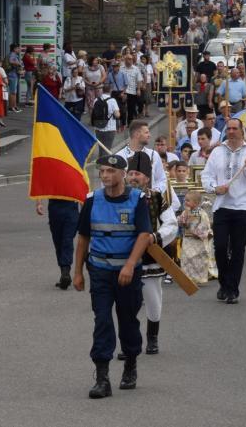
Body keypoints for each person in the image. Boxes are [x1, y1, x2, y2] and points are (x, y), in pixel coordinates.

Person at [73, 154, 153, 398]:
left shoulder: (137, 199)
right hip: (100, 271)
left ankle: (130, 364)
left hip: (128, 272)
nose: (105, 176)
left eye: (110, 171)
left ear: (122, 174)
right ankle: (102, 378)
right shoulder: (92, 200)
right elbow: (84, 237)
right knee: (102, 321)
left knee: (128, 320)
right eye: (103, 171)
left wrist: (129, 265)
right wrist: (77, 272)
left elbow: (144, 235)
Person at [201, 118, 246, 304]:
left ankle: (233, 289)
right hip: (222, 205)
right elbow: (206, 176)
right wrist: (215, 188)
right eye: (228, 128)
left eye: (234, 128)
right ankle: (224, 283)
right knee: (220, 247)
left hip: (243, 206)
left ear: (242, 131)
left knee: (238, 249)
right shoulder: (217, 152)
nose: (231, 131)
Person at [122, 152, 178, 357]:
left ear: (146, 177)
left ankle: (152, 337)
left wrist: (155, 237)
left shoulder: (155, 197)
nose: (133, 177)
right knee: (126, 302)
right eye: (130, 173)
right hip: (124, 257)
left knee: (153, 300)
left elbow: (171, 224)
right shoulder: (118, 196)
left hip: (150, 258)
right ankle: (130, 342)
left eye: (138, 174)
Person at [35, 197, 79, 289]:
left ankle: (65, 271)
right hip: (55, 206)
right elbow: (40, 184)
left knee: (67, 240)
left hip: (71, 206)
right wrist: (39, 203)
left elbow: (82, 186)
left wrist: (85, 208)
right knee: (58, 242)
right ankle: (64, 272)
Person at [117, 120, 169, 196]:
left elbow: (162, 179)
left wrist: (155, 192)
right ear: (137, 134)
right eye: (146, 132)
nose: (149, 135)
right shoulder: (120, 157)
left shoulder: (154, 155)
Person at [178, 191, 213, 283]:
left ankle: (199, 278)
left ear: (196, 203)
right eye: (185, 200)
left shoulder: (202, 213)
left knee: (198, 259)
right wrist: (183, 221)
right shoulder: (185, 212)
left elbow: (205, 225)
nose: (185, 202)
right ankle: (187, 277)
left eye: (188, 200)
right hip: (188, 239)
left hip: (197, 240)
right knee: (186, 258)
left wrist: (197, 232)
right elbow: (181, 222)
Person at [92, 83, 120, 157]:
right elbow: (117, 115)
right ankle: (103, 166)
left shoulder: (96, 100)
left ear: (102, 90)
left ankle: (100, 164)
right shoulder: (112, 100)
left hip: (98, 128)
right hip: (109, 129)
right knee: (107, 149)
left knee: (101, 148)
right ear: (110, 90)